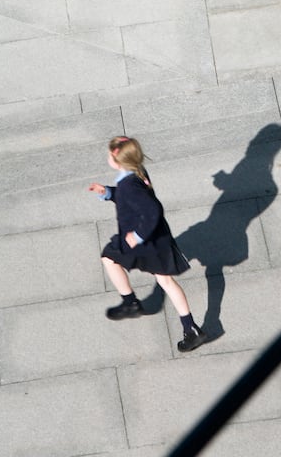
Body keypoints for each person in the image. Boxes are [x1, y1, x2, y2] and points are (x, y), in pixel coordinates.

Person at [88, 135, 206, 353]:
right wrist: (107, 193)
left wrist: (138, 236)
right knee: (166, 282)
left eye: (108, 154)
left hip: (144, 243)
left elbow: (152, 210)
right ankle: (191, 328)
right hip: (154, 241)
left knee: (109, 256)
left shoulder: (129, 184)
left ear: (117, 159)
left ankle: (130, 302)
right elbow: (129, 199)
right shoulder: (135, 173)